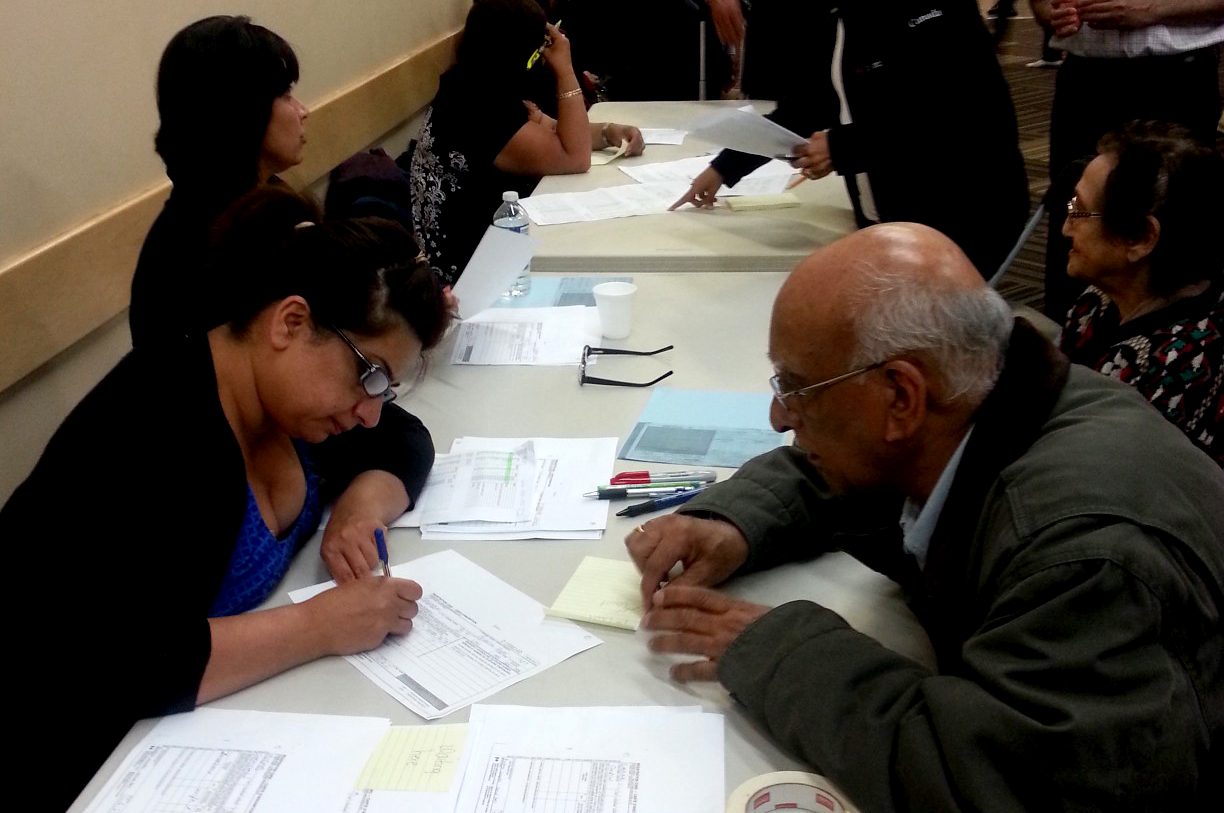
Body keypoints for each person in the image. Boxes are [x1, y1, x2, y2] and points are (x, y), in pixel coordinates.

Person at [627, 223, 1224, 811]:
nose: (780, 417)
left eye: (797, 387)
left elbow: (1006, 784)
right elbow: (846, 468)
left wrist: (783, 655)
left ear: (901, 397)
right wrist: (733, 523)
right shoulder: (988, 396)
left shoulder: (1087, 557)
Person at [4, 187, 451, 809]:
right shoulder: (160, 428)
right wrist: (318, 625)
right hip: (74, 759)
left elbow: (405, 440)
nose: (372, 413)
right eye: (369, 375)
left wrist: (360, 507)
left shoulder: (287, 402)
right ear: (290, 323)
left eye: (388, 387)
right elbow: (123, 662)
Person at [670, 1, 1030, 280]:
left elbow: (948, 119)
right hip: (893, 221)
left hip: (962, 215)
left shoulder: (934, 13)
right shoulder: (841, 17)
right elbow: (812, 104)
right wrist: (724, 167)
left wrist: (841, 148)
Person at [408, 0, 644, 285]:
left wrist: (609, 132)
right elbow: (574, 157)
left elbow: (554, 131)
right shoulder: (476, 108)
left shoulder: (479, 83)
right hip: (474, 275)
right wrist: (565, 69)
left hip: (497, 249)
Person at [1031, 0, 1224, 317]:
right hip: (1083, 79)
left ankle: (1162, 356)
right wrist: (1048, 12)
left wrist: (1152, 9)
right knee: (1074, 216)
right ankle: (1071, 346)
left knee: (1170, 233)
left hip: (1174, 78)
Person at [129, 15, 310, 346]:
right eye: (285, 94)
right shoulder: (206, 249)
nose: (302, 111)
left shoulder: (256, 203)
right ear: (242, 111)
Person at [1058, 122, 1224, 465]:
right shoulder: (1096, 301)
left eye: (1081, 211)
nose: (1065, 226)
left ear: (1141, 238)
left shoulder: (1177, 370)